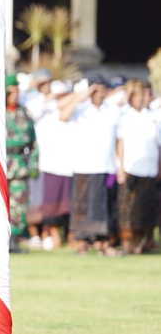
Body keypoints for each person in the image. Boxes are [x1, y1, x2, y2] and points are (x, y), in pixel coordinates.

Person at [60, 77, 120, 256]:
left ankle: (103, 243)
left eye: (102, 90)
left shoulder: (112, 110)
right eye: (96, 90)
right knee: (82, 207)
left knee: (103, 207)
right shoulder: (81, 108)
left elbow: (118, 139)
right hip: (84, 166)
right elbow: (62, 115)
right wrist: (81, 96)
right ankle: (81, 243)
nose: (100, 94)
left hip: (105, 166)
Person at [115, 80, 160, 254]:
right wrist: (120, 166)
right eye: (139, 95)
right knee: (128, 209)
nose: (142, 99)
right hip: (131, 168)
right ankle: (127, 243)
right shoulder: (125, 115)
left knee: (146, 208)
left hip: (149, 169)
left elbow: (157, 144)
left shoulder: (153, 117)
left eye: (145, 95)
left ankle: (142, 243)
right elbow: (120, 142)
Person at [34, 81, 74, 250]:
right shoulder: (43, 109)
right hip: (49, 165)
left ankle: (68, 236)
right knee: (50, 205)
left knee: (67, 206)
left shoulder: (73, 111)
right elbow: (33, 111)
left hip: (69, 166)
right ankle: (51, 235)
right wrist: (51, 97)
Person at [5, 74, 39, 253]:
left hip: (19, 163)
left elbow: (33, 142)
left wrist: (34, 164)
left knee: (18, 204)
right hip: (1, 164)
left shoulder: (24, 113)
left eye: (17, 92)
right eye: (11, 92)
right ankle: (0, 240)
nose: (15, 95)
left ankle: (15, 240)